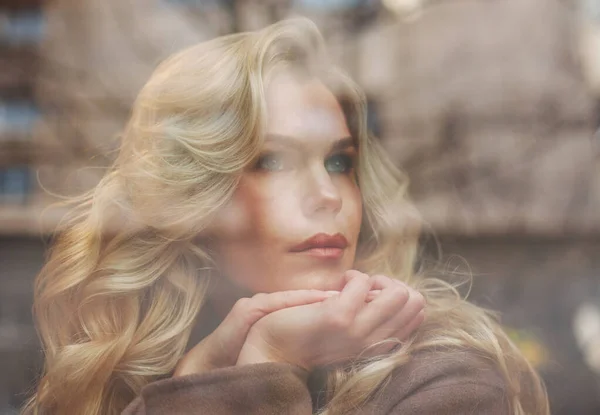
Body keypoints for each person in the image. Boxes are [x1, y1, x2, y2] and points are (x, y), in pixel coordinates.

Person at [23, 18, 549, 415]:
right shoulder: (138, 366)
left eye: (340, 162)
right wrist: (198, 375)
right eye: (273, 161)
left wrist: (267, 360)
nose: (327, 195)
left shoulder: (448, 378)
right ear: (197, 196)